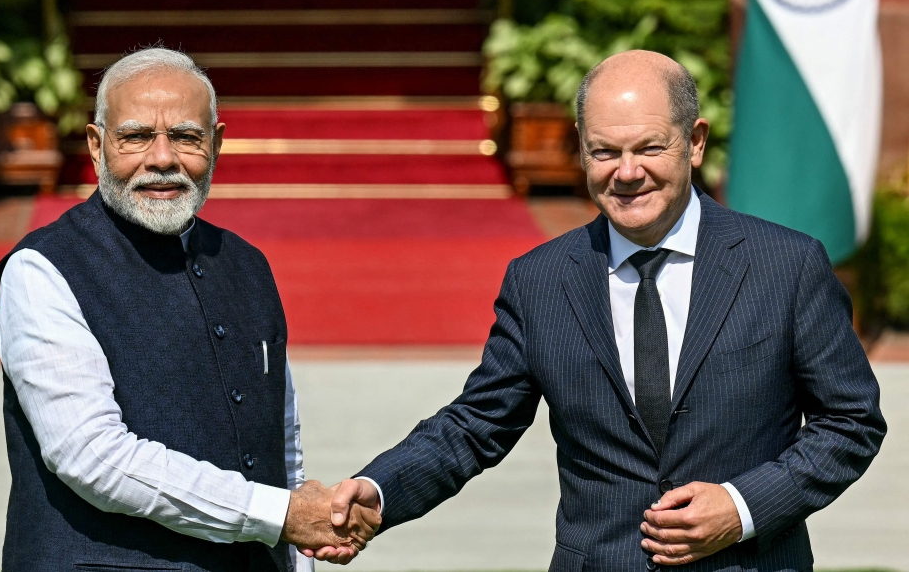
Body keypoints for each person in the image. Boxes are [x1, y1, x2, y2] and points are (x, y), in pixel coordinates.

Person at [321, 50, 886, 571]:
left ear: (694, 142)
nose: (627, 172)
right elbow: (476, 425)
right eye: (605, 151)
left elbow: (851, 421)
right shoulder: (540, 281)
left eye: (649, 148)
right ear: (580, 148)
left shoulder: (785, 266)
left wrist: (741, 507)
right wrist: (381, 489)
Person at [0, 47, 379, 572]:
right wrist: (279, 514)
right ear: (96, 144)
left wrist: (297, 553)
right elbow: (91, 455)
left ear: (216, 144)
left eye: (185, 137)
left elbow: (281, 443)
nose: (162, 159)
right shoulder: (43, 270)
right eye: (135, 136)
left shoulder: (246, 264)